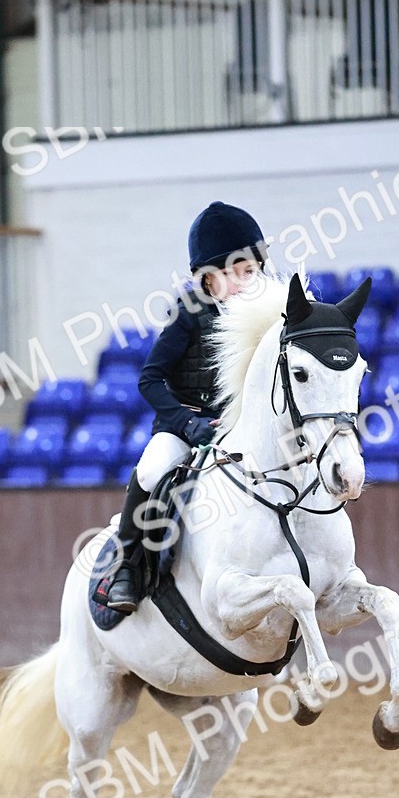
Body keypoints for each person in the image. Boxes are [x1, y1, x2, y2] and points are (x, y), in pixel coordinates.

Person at [103, 200, 268, 613]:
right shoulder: (189, 314)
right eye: (237, 273)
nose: (247, 282)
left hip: (240, 429)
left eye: (252, 272)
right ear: (209, 278)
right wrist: (186, 425)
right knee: (152, 467)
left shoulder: (267, 317)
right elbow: (149, 379)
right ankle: (127, 564)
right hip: (186, 425)